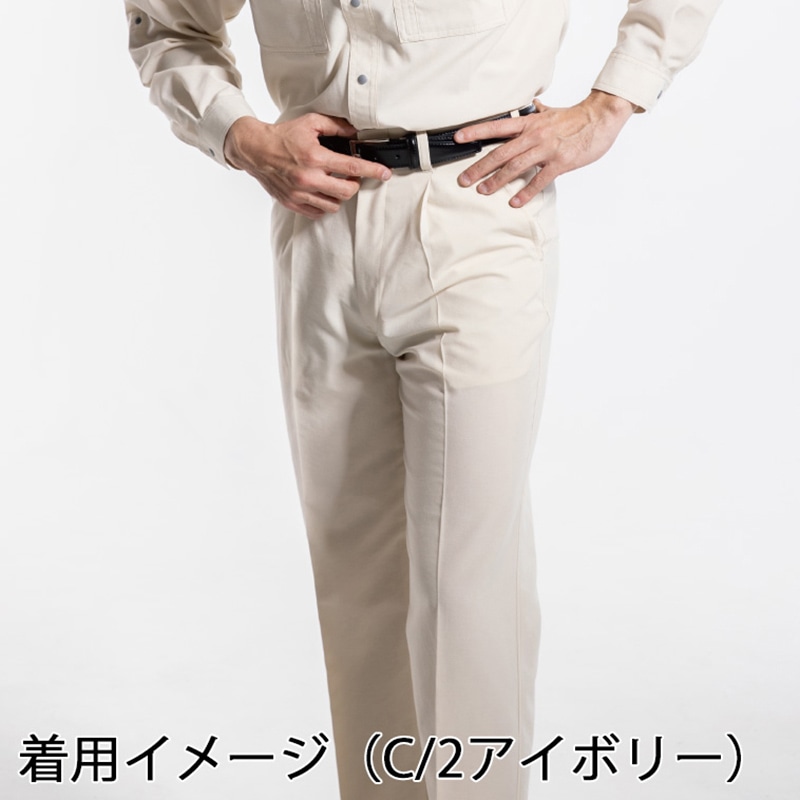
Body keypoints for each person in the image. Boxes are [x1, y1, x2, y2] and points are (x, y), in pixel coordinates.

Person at [124, 1, 721, 798]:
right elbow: (168, 22)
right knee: (358, 579)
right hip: (319, 222)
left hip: (478, 202)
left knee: (464, 584)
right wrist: (241, 137)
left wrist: (613, 101)